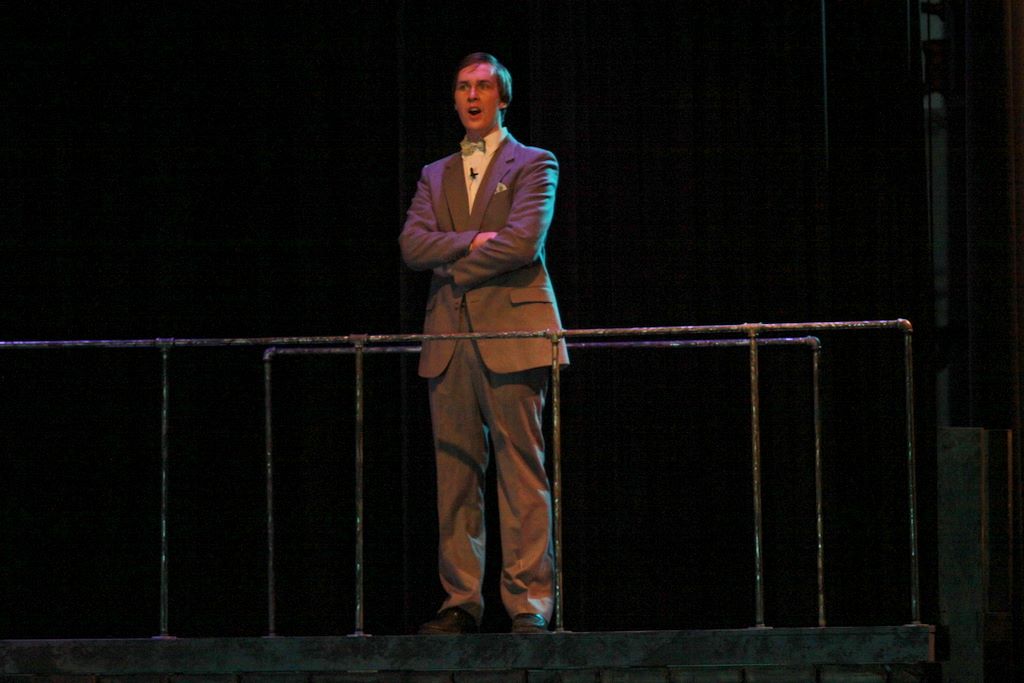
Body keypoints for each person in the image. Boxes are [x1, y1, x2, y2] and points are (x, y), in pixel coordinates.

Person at [399, 52, 568, 635]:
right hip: (447, 336)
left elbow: (523, 242)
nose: (472, 96)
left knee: (522, 472)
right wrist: (473, 241)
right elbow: (412, 246)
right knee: (455, 474)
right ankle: (460, 600)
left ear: (503, 98)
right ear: (454, 99)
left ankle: (528, 603)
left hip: (514, 333)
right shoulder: (434, 174)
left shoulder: (535, 162)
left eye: (483, 87)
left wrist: (453, 258)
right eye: (463, 87)